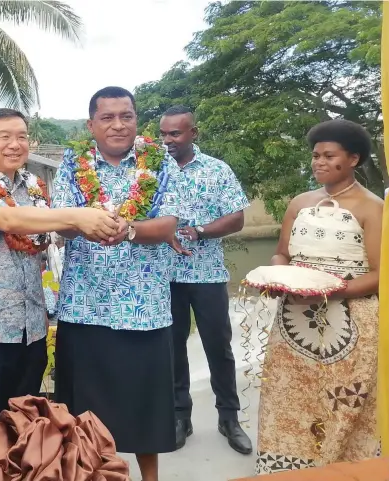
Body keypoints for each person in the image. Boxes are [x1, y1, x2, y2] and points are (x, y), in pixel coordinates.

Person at [0, 108, 120, 462]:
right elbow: (8, 219)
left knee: (26, 420)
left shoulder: (32, 187)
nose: (15, 144)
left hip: (31, 326)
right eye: (5, 137)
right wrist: (75, 215)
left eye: (22, 136)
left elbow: (48, 229)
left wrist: (104, 217)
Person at [52, 87, 185, 481]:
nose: (117, 124)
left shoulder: (160, 162)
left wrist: (128, 230)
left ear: (136, 120)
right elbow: (61, 222)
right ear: (91, 124)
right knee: (84, 414)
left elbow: (169, 225)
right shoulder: (72, 163)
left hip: (144, 307)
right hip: (85, 307)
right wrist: (82, 224)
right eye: (107, 118)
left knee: (146, 406)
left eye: (125, 116)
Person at [256, 119, 382, 474]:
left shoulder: (372, 208)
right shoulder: (300, 203)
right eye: (315, 155)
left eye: (329, 155)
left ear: (354, 159)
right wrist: (277, 275)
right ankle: (289, 471)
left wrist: (331, 289)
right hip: (294, 321)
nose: (318, 162)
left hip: (352, 323)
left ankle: (341, 470)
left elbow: (378, 275)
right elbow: (282, 253)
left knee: (342, 401)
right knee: (291, 396)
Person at [159, 105, 253, 454]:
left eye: (176, 133)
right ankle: (180, 416)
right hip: (165, 276)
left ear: (193, 133)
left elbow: (237, 219)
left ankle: (229, 418)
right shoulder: (153, 171)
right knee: (172, 349)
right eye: (164, 134)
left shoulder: (217, 170)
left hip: (207, 275)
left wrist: (199, 231)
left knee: (218, 347)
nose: (168, 140)